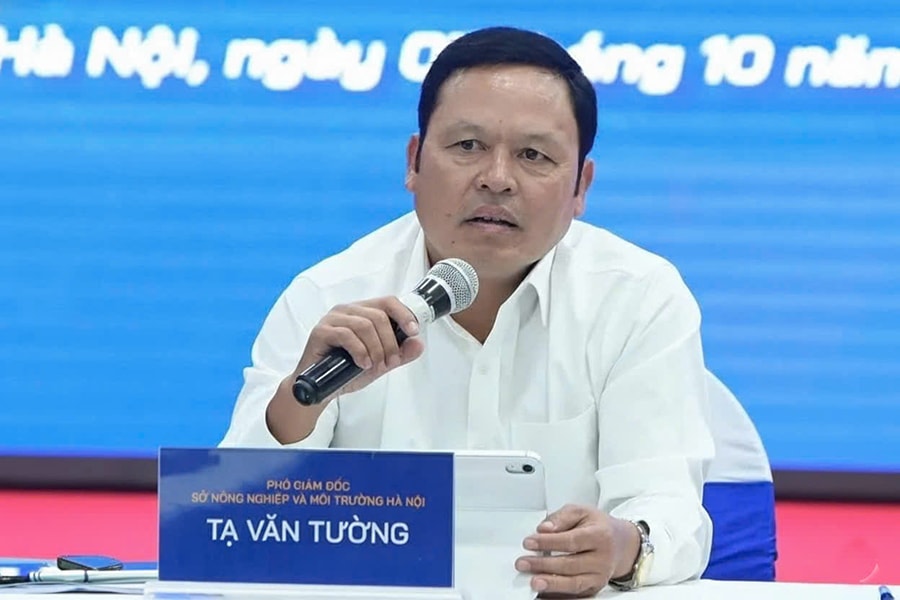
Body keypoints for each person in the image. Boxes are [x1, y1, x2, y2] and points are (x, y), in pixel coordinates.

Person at [221, 26, 715, 597]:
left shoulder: (638, 298)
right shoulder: (329, 294)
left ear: (581, 186)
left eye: (533, 155)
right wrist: (300, 401)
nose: (496, 179)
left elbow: (667, 505)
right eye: (467, 146)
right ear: (414, 162)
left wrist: (623, 547)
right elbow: (230, 521)